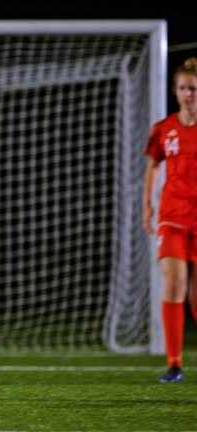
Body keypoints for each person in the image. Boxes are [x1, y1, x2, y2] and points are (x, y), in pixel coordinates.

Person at [142, 56, 197, 383]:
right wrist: (148, 206)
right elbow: (153, 166)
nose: (188, 94)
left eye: (193, 88)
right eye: (182, 88)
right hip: (173, 216)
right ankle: (174, 365)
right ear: (175, 92)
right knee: (173, 285)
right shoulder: (164, 129)